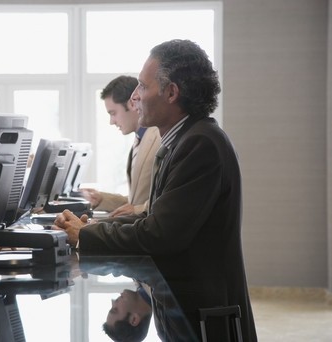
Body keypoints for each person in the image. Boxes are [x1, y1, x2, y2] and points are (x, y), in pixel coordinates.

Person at [53, 39, 257, 341]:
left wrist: (86, 235)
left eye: (142, 87)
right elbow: (153, 216)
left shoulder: (200, 144)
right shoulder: (184, 140)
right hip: (185, 306)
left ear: (171, 92)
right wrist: (94, 226)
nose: (135, 97)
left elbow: (160, 233)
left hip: (205, 317)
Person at [80, 76, 161, 217]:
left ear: (132, 104)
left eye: (113, 113)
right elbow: (135, 202)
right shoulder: (139, 139)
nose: (112, 121)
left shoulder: (159, 137)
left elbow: (164, 199)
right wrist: (101, 199)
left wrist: (136, 210)